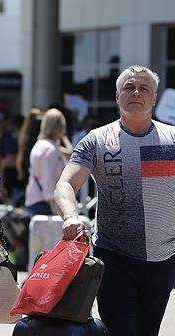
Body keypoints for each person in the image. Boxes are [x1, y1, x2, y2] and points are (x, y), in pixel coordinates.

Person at [55, 65, 175, 336]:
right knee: (119, 330)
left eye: (144, 88)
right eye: (129, 87)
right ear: (117, 95)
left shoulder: (172, 139)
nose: (136, 93)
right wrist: (71, 216)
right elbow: (65, 184)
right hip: (114, 256)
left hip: (163, 258)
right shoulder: (96, 140)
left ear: (154, 98)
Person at [24, 109, 71, 215]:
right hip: (46, 204)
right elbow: (48, 179)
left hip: (36, 200)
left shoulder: (42, 145)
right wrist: (55, 207)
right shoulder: (51, 149)